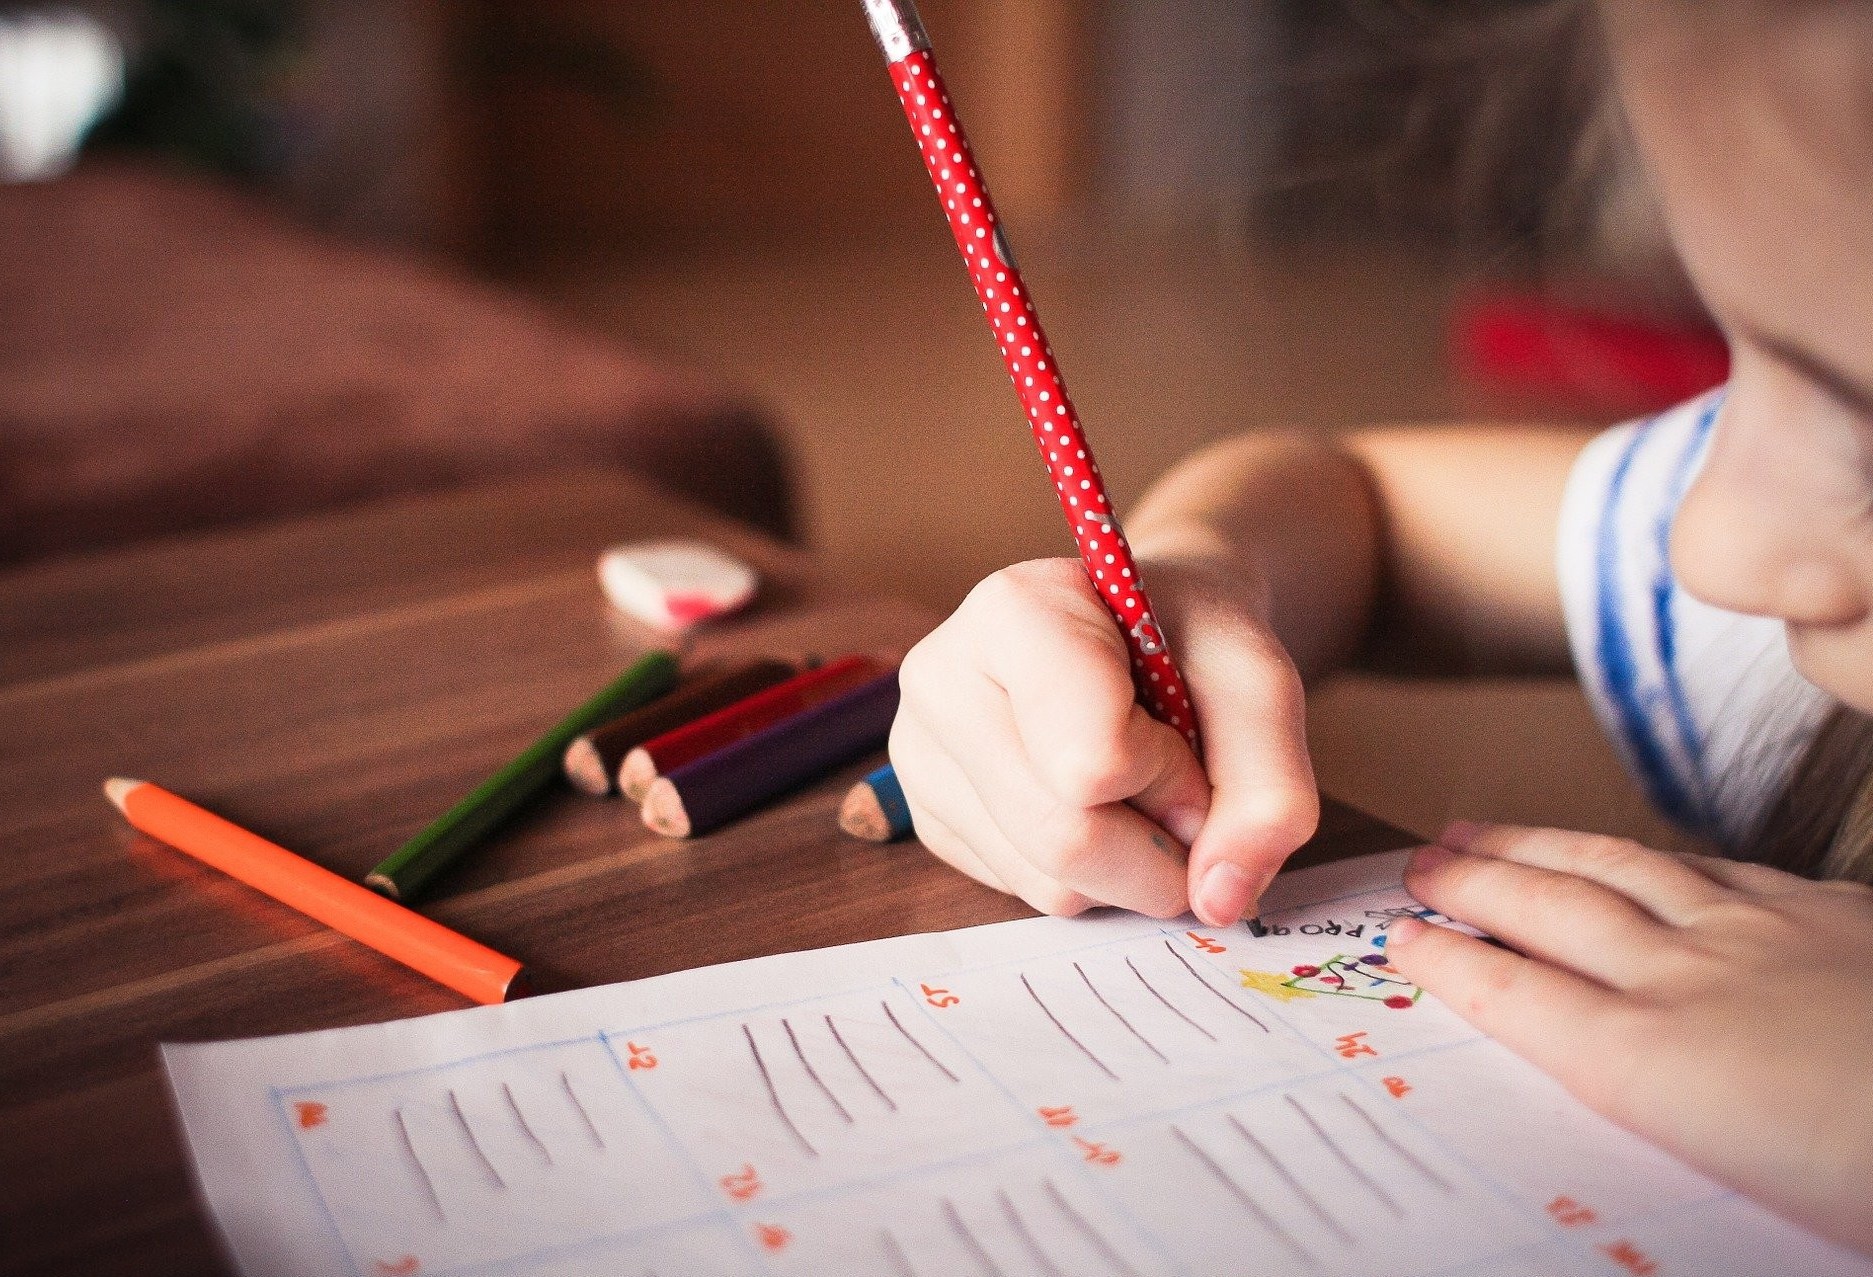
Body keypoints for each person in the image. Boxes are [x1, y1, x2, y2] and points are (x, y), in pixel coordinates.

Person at [888, 0, 1873, 1255]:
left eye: (1863, 429)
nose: (1703, 542)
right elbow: (1363, 506)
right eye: (1733, 360)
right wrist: (1202, 578)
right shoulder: (1782, 577)